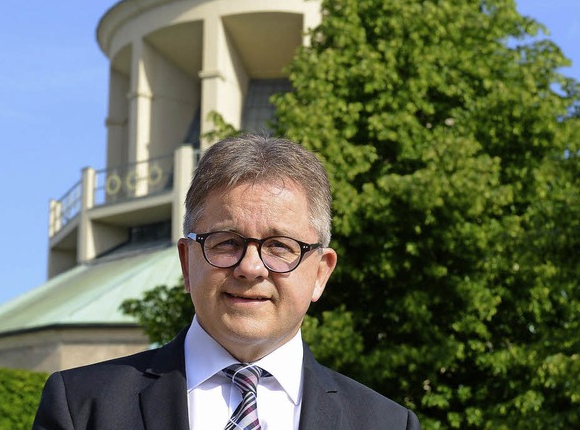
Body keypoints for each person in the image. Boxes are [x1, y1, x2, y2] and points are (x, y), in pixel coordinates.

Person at [32, 134, 421, 429]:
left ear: (321, 273)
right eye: (227, 242)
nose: (250, 268)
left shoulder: (387, 423)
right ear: (187, 262)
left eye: (280, 246)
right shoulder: (82, 408)